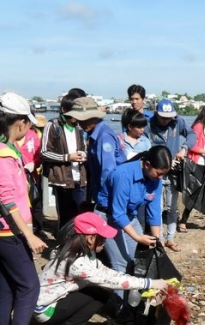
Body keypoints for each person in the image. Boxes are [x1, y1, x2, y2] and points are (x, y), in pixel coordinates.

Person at [34, 212, 168, 325]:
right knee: (101, 292)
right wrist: (150, 283)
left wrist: (140, 281)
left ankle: (76, 323)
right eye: (103, 238)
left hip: (55, 299)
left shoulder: (80, 251)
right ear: (91, 238)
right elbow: (109, 281)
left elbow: (105, 272)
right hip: (46, 310)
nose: (105, 242)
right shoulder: (76, 262)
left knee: (98, 291)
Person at [0, 92, 49, 325]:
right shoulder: (1, 155)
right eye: (29, 124)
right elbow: (6, 200)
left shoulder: (2, 148)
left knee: (5, 285)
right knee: (29, 287)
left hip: (4, 230)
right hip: (7, 231)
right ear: (20, 123)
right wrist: (30, 235)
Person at [95, 145, 171, 313]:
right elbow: (117, 213)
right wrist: (138, 237)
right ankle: (120, 308)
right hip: (107, 217)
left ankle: (133, 302)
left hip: (130, 217)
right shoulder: (123, 175)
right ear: (147, 164)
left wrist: (157, 239)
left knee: (135, 260)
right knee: (120, 263)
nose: (160, 177)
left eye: (163, 174)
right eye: (158, 173)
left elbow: (154, 210)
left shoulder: (155, 180)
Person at [145, 99, 190, 252]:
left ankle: (170, 238)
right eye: (163, 117)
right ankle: (160, 239)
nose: (166, 120)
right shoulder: (148, 125)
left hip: (173, 174)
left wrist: (184, 148)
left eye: (169, 117)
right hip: (155, 174)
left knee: (172, 207)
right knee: (156, 207)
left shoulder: (178, 123)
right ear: (156, 113)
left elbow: (192, 134)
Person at [40, 92, 89, 234]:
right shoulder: (53, 126)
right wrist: (67, 157)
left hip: (80, 177)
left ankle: (78, 245)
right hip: (62, 179)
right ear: (64, 110)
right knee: (66, 215)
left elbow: (83, 147)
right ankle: (64, 246)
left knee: (80, 214)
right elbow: (44, 152)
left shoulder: (79, 128)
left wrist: (83, 154)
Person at [66, 96, 126, 205]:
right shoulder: (94, 135)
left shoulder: (104, 136)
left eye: (83, 120)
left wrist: (104, 199)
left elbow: (108, 171)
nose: (80, 123)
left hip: (111, 195)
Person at [179, 102, 205, 232]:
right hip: (196, 163)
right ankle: (183, 220)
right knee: (194, 192)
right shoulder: (198, 126)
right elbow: (192, 146)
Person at [17, 119, 46, 238]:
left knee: (36, 201)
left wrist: (35, 164)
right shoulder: (9, 137)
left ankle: (38, 228)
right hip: (18, 176)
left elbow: (40, 154)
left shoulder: (33, 136)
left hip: (32, 175)